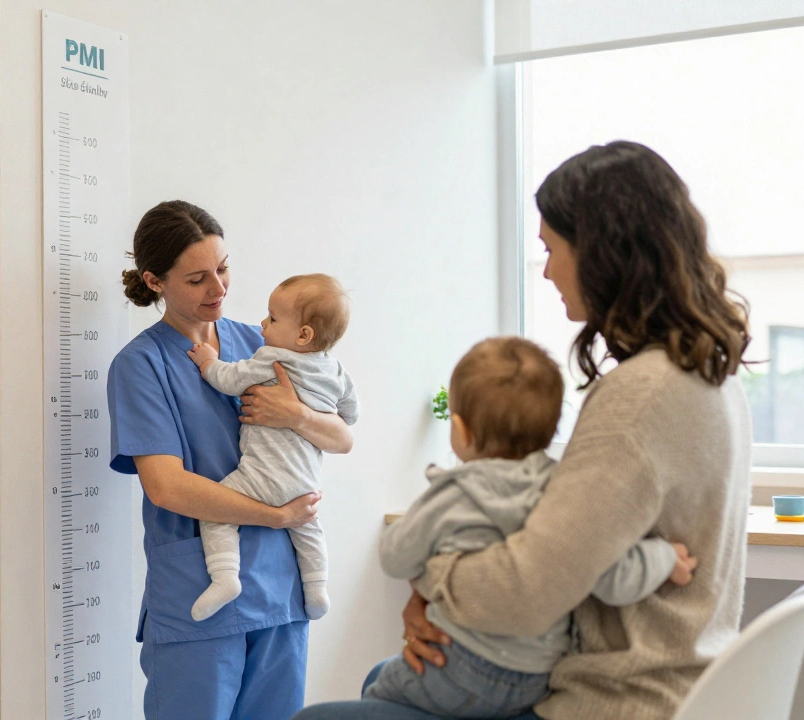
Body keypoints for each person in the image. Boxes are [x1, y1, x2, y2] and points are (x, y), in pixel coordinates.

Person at [293, 140, 752, 720]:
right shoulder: (708, 373)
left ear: (602, 253)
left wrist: (431, 577)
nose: (549, 269)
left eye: (552, 249)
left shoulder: (642, 394)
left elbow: (524, 594)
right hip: (682, 686)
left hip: (614, 702)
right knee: (378, 677)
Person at [108, 201, 354, 720]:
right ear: (154, 281)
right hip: (200, 590)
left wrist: (297, 417)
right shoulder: (140, 366)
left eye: (223, 269)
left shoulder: (261, 341)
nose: (218, 288)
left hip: (280, 587)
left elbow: (341, 435)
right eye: (197, 279)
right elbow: (167, 488)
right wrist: (277, 516)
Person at [365, 336, 695, 719]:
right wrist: (664, 557)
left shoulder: (454, 492)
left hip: (454, 665)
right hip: (535, 677)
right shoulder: (563, 491)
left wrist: (425, 566)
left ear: (460, 430)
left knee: (377, 690)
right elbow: (613, 575)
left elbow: (394, 558)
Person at [186, 273, 359, 622]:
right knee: (309, 532)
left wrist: (207, 361)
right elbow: (350, 417)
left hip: (262, 476)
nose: (263, 324)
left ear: (303, 334)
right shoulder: (337, 371)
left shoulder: (271, 357)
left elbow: (229, 379)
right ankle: (317, 589)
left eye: (273, 318)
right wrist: (315, 411)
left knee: (215, 511)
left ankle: (224, 577)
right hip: (305, 483)